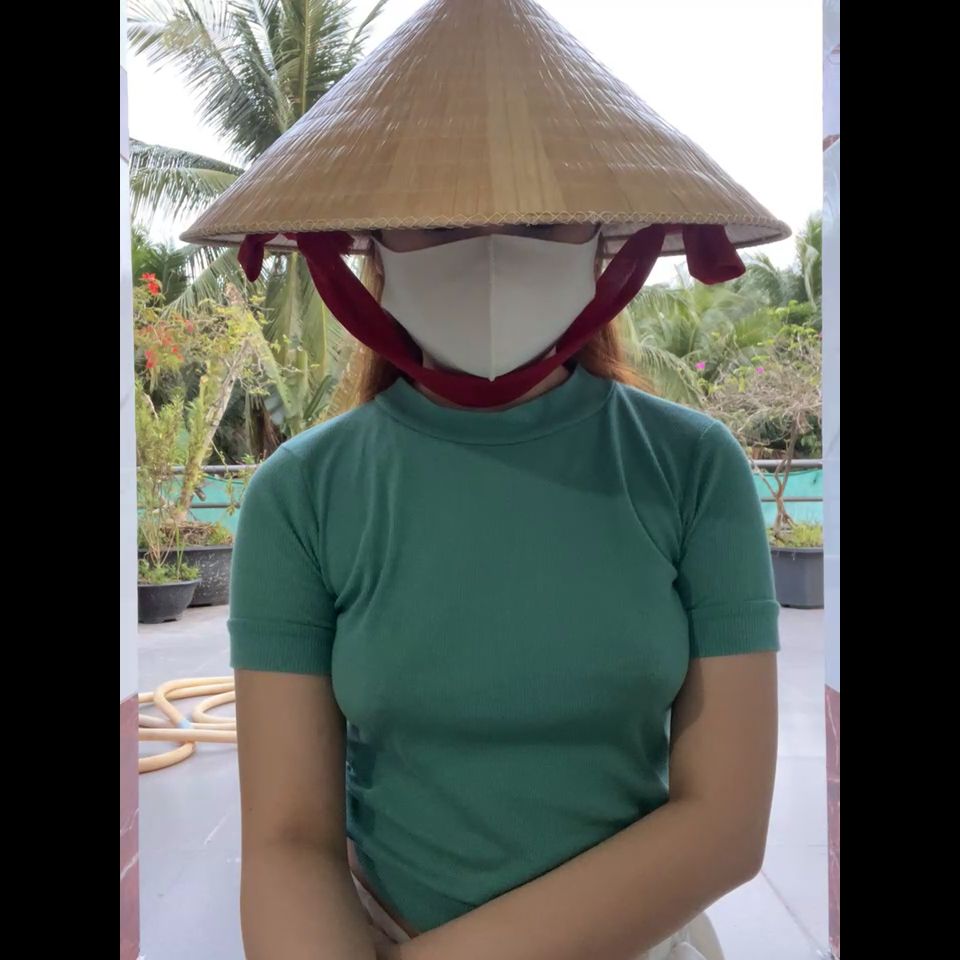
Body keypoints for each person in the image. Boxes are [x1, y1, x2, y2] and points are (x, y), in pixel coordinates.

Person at [182, 2, 789, 958]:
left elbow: (723, 825)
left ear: (605, 239)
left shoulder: (692, 467)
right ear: (370, 245)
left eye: (540, 217)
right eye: (439, 220)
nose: (494, 248)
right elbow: (290, 842)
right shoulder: (301, 496)